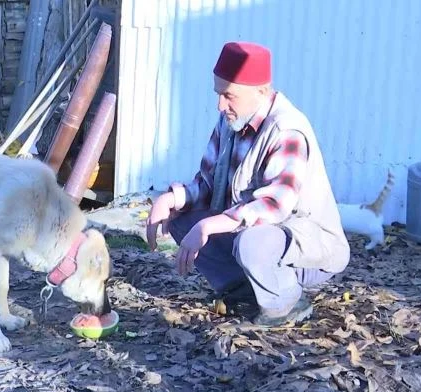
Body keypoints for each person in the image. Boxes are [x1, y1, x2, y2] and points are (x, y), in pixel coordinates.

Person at [145, 41, 350, 327]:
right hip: (255, 238)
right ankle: (244, 290)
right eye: (218, 94)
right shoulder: (230, 120)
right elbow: (206, 182)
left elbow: (274, 205)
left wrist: (209, 226)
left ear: (262, 91)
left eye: (229, 96)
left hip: (306, 250)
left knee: (251, 242)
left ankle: (286, 303)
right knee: (182, 218)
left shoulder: (287, 130)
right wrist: (170, 200)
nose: (220, 105)